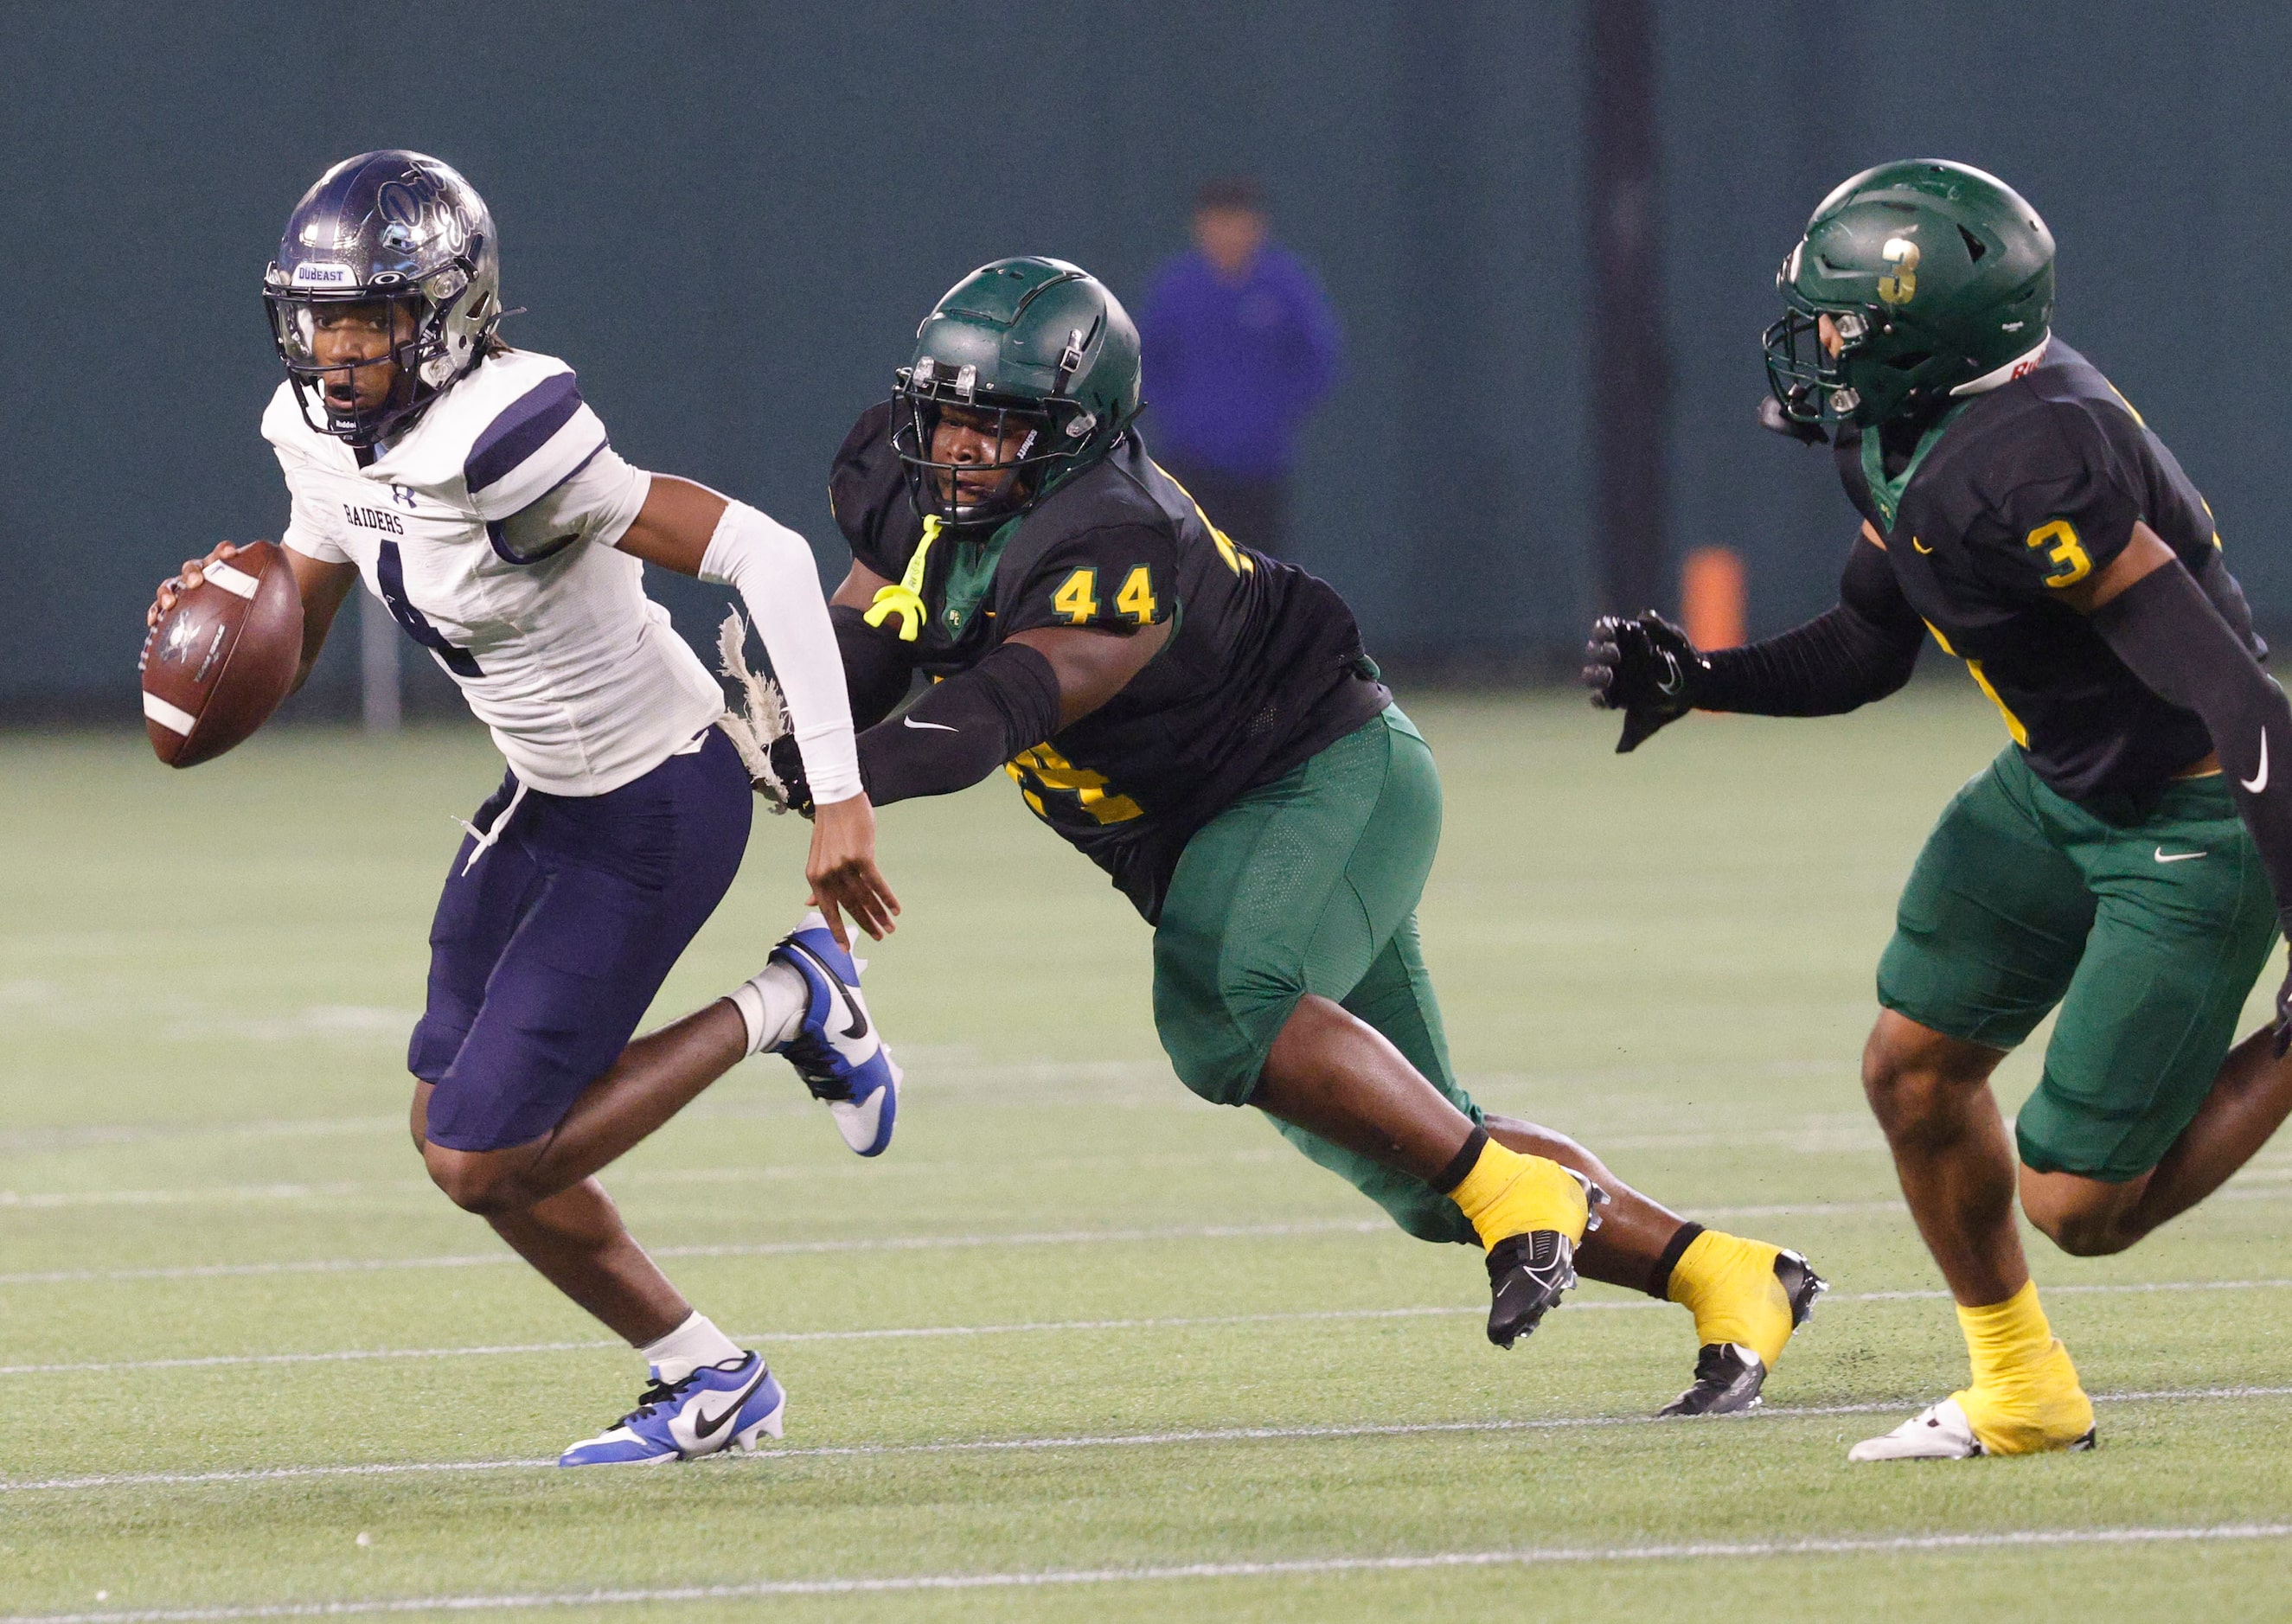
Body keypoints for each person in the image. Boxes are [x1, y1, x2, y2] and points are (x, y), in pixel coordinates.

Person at [771, 254, 1824, 1417]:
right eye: (947, 413)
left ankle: (1512, 1197)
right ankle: (1729, 1273)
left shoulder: (1113, 537)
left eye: (994, 424)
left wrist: (835, 772)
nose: (958, 446)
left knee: (1221, 1010)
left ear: (1074, 433)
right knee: (1430, 1163)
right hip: (1203, 833)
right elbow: (878, 622)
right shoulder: (900, 472)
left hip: (1316, 776)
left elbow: (991, 712)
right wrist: (778, 729)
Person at [144, 150, 905, 1467]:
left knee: (488, 1156)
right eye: (321, 318)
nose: (338, 349)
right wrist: (228, 621)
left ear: (444, 316)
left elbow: (766, 553)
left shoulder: (510, 435)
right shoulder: (310, 428)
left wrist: (839, 795)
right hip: (544, 795)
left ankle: (794, 998)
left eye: (371, 319)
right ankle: (708, 1374)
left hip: (660, 798)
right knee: (447, 1126)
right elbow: (309, 594)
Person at [1584, 159, 2292, 1461]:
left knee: (2081, 1200)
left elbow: (2227, 688)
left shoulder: (2034, 460)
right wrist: (1705, 681)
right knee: (1910, 1071)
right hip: (2056, 782)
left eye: (1845, 320)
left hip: (2183, 813)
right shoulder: (1904, 431)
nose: (1820, 343)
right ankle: (2022, 1390)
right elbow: (1867, 644)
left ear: (1930, 336)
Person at [1136, 177, 1340, 558]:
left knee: (1259, 577)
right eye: (1218, 222)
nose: (1228, 234)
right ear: (1200, 226)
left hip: (1261, 470)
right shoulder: (1177, 290)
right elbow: (1148, 363)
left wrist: (1272, 415)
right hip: (1188, 470)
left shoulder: (1285, 286)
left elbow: (1316, 360)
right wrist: (1182, 418)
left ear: (1258, 226)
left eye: (1238, 222)